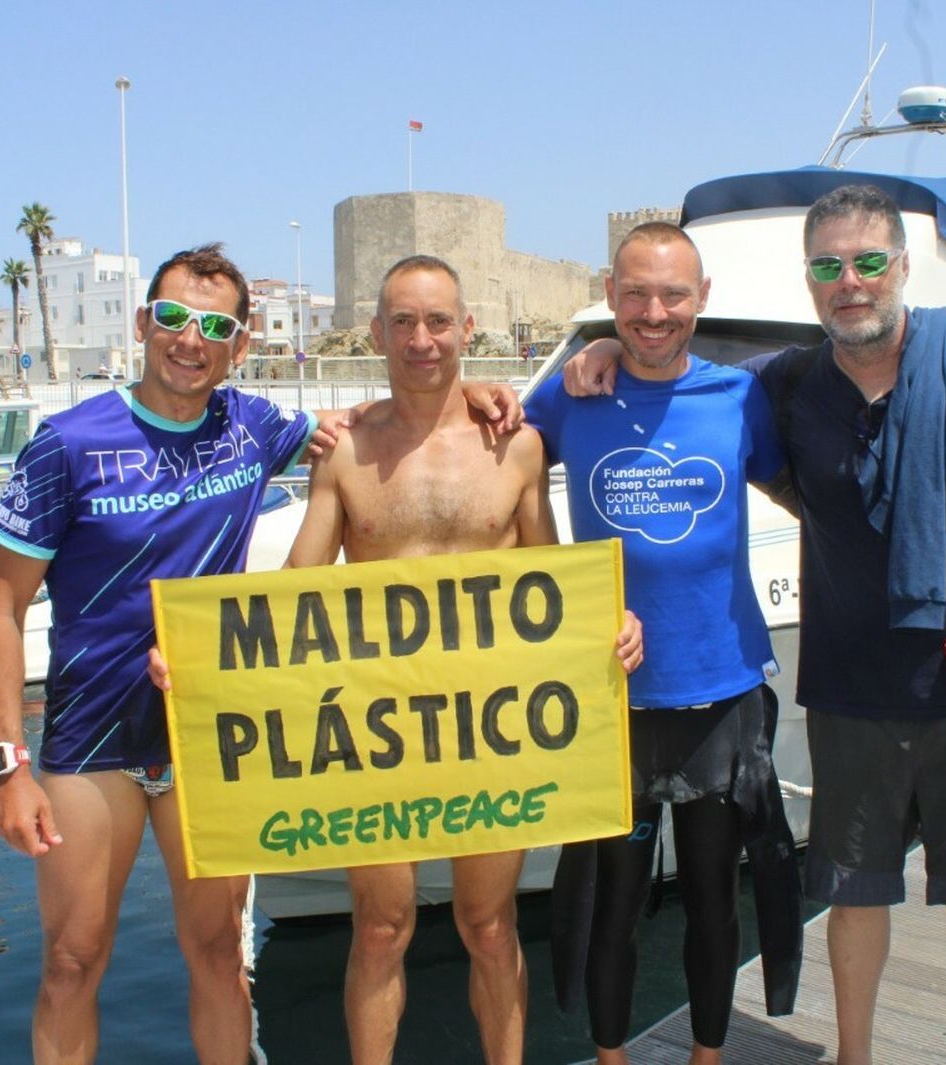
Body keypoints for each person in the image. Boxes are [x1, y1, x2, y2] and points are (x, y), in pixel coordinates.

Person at [569, 185, 946, 1065]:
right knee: (854, 895)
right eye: (827, 267)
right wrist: (598, 353)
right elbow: (688, 399)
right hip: (853, 689)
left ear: (901, 266)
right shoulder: (788, 386)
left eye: (865, 263)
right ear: (809, 280)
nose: (848, 283)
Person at [0, 243, 521, 1064]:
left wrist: (474, 390)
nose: (189, 340)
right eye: (172, 318)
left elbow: (401, 411)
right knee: (70, 960)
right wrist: (7, 765)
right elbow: (1, 603)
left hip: (212, 730)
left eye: (214, 326)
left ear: (239, 342)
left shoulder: (253, 427)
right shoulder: (65, 443)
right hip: (92, 736)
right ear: (143, 323)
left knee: (219, 956)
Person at [155, 254, 640, 1064]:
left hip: (495, 730)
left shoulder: (515, 445)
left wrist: (608, 623)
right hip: (378, 736)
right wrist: (204, 657)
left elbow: (549, 584)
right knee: (381, 929)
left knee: (488, 926)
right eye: (404, 323)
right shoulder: (345, 453)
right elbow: (293, 593)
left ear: (466, 329)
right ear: (377, 332)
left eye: (439, 321)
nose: (423, 340)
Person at [532, 223, 802, 1065]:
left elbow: (820, 480)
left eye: (673, 295)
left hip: (720, 693)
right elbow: (482, 452)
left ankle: (706, 1055)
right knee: (612, 903)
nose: (655, 313)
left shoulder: (738, 397)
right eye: (636, 296)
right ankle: (612, 1056)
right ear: (611, 296)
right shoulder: (568, 396)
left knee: (715, 900)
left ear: (702, 299)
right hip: (613, 697)